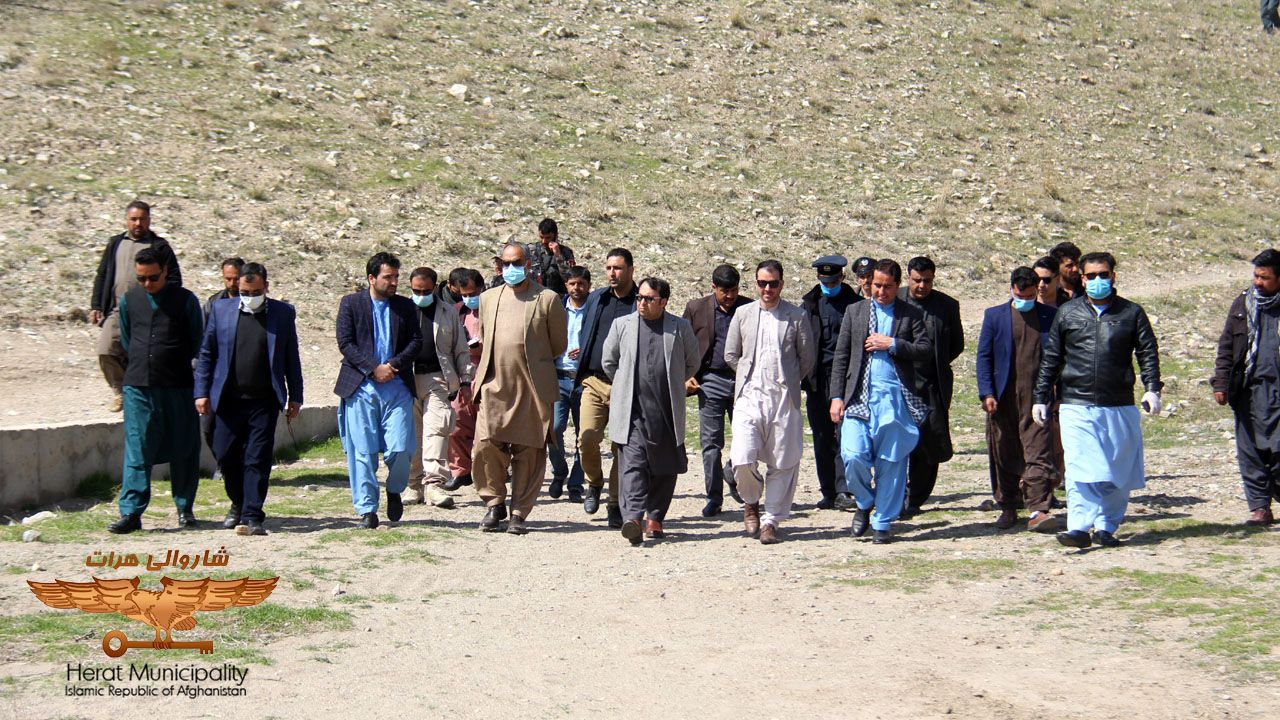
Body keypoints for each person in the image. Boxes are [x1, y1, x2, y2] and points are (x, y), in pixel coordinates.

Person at [1034, 251, 1161, 548]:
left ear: (1113, 277)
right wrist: (1041, 396)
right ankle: (1079, 527)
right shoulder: (1068, 313)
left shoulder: (1131, 313)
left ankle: (1106, 526)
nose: (1097, 281)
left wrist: (1153, 387)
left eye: (1103, 275)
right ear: (1082, 278)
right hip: (1076, 403)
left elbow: (1147, 352)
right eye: (1091, 276)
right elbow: (1051, 358)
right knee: (1080, 466)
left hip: (1118, 403)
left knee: (1117, 468)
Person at [194, 262, 303, 536]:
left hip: (264, 401)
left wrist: (296, 396)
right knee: (225, 454)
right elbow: (207, 354)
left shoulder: (282, 313)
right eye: (244, 291)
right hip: (228, 400)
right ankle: (239, 502)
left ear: (266, 287)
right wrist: (201, 392)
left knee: (257, 458)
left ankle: (253, 515)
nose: (249, 296)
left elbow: (291, 357)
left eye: (255, 291)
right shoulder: (221, 311)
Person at [829, 260, 932, 544]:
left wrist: (894, 344)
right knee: (852, 455)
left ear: (897, 286)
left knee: (892, 463)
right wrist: (836, 397)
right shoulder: (855, 311)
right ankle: (863, 502)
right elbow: (841, 357)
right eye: (876, 285)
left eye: (887, 286)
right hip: (858, 398)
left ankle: (883, 522)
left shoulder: (911, 314)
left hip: (895, 400)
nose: (881, 291)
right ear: (868, 283)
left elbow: (925, 350)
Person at [471, 242, 568, 534]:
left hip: (532, 388)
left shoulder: (548, 299)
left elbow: (558, 344)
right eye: (506, 264)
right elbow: (486, 337)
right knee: (486, 445)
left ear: (528, 264)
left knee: (529, 452)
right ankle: (494, 503)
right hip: (494, 385)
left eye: (517, 263)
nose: (511, 269)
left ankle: (518, 513)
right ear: (499, 266)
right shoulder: (488, 298)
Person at [108, 247, 203, 534]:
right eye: (141, 279)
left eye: (152, 278)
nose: (147, 284)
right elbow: (127, 339)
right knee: (138, 448)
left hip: (178, 386)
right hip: (138, 386)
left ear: (165, 272)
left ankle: (184, 507)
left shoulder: (186, 300)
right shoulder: (129, 301)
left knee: (184, 447)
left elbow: (198, 341)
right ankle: (131, 512)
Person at [603, 277, 699, 545]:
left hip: (666, 411)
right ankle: (633, 518)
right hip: (632, 410)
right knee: (632, 463)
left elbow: (692, 363)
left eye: (648, 299)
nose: (642, 303)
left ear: (664, 302)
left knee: (664, 466)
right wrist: (625, 385)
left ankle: (655, 518)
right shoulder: (622, 325)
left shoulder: (679, 328)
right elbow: (609, 361)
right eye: (639, 298)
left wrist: (672, 381)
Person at [725, 260, 816, 545]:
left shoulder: (797, 316)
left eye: (773, 283)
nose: (767, 289)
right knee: (742, 456)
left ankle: (771, 520)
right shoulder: (742, 314)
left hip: (783, 397)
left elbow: (807, 358)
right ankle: (750, 501)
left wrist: (788, 380)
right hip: (749, 396)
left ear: (781, 284)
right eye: (762, 283)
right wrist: (747, 376)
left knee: (783, 461)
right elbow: (731, 354)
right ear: (755, 284)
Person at [334, 252, 423, 529]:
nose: (394, 282)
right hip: (361, 387)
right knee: (362, 451)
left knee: (400, 449)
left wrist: (392, 366)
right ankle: (367, 510)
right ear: (372, 278)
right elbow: (346, 343)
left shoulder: (405, 307)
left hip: (396, 387)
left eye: (397, 276)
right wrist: (373, 368)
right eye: (388, 277)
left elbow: (416, 341)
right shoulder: (351, 304)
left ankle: (394, 488)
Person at [975, 267, 1060, 532]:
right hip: (1003, 400)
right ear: (1011, 288)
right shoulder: (995, 316)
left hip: (1038, 400)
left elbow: (1058, 357)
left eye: (1031, 295)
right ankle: (1008, 506)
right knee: (1003, 451)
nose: (1025, 299)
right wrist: (987, 392)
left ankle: (1038, 508)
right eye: (1020, 294)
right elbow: (984, 357)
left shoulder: (1051, 316)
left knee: (1038, 453)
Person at [90, 200, 181, 412]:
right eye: (134, 219)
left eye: (142, 219)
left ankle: (139, 395)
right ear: (126, 220)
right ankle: (120, 391)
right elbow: (103, 274)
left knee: (141, 355)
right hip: (117, 309)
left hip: (149, 313)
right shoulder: (115, 243)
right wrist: (96, 304)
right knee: (106, 351)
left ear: (149, 220)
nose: (138, 223)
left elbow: (175, 279)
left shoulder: (160, 247)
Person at [1212, 249, 1280, 526]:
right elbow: (1227, 345)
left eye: (1264, 278)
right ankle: (1259, 507)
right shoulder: (1243, 304)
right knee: (1249, 449)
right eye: (1256, 276)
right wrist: (1221, 382)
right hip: (1248, 388)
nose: (1258, 283)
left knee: (1277, 450)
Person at [573, 248, 638, 527]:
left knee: (620, 447)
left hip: (627, 386)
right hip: (595, 381)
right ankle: (594, 483)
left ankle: (615, 503)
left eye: (618, 268)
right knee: (586, 439)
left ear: (631, 270)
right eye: (609, 268)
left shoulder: (641, 301)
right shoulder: (597, 298)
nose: (612, 273)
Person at [682, 264, 751, 516]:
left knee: (747, 438)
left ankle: (736, 474)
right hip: (709, 381)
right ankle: (714, 498)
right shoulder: (695, 308)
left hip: (744, 382)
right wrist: (687, 375)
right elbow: (684, 345)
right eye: (724, 291)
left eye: (734, 290)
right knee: (711, 443)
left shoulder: (749, 308)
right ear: (713, 288)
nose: (730, 296)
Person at [898, 256, 964, 516]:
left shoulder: (946, 305)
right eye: (917, 280)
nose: (922, 286)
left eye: (927, 281)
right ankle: (894, 494)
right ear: (908, 278)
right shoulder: (896, 300)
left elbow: (956, 344)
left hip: (931, 386)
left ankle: (915, 498)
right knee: (896, 443)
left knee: (928, 443)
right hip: (899, 385)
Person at [405, 267, 472, 509]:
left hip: (437, 378)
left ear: (435, 288)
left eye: (425, 291)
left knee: (436, 431)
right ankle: (413, 485)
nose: (420, 295)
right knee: (411, 434)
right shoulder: (402, 311)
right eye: (415, 291)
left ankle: (434, 484)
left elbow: (460, 349)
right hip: (406, 380)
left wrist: (465, 379)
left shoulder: (448, 313)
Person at [800, 254, 859, 510]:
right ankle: (828, 491)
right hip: (817, 380)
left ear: (842, 278)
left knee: (844, 435)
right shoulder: (810, 304)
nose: (829, 284)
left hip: (846, 379)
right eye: (825, 280)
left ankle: (844, 490)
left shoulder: (854, 305)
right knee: (822, 436)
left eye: (833, 280)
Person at [548, 266, 591, 502]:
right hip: (558, 376)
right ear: (566, 285)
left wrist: (585, 351)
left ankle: (576, 482)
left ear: (588, 285)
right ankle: (558, 473)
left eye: (581, 284)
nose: (576, 288)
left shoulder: (595, 310)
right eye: (572, 283)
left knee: (584, 434)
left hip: (584, 380)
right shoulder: (556, 309)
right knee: (554, 428)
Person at [445, 269, 484, 491]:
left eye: (474, 293)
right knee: (457, 425)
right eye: (465, 294)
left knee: (486, 429)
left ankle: (487, 472)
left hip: (488, 375)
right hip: (463, 375)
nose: (470, 298)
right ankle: (460, 471)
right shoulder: (456, 312)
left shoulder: (493, 311)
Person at [528, 218, 576, 296]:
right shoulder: (531, 250)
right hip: (534, 296)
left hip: (557, 298)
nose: (544, 241)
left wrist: (558, 255)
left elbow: (569, 278)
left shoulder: (565, 252)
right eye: (541, 237)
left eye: (548, 238)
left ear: (555, 235)